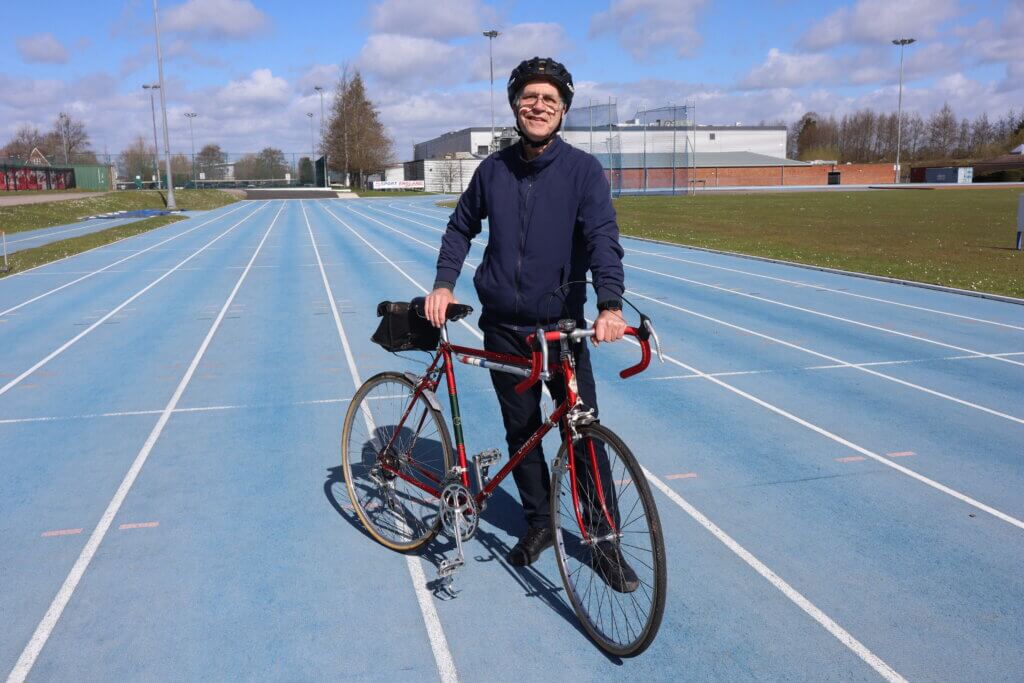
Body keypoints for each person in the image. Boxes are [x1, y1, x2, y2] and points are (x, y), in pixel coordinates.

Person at [424, 57, 637, 591]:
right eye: (529, 97)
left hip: (561, 328)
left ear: (562, 110)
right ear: (516, 105)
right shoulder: (492, 170)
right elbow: (459, 228)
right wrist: (445, 282)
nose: (538, 106)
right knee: (521, 432)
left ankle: (603, 541)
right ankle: (541, 523)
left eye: (550, 99)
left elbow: (602, 240)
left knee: (580, 433)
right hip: (503, 327)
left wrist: (610, 304)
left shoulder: (583, 171)